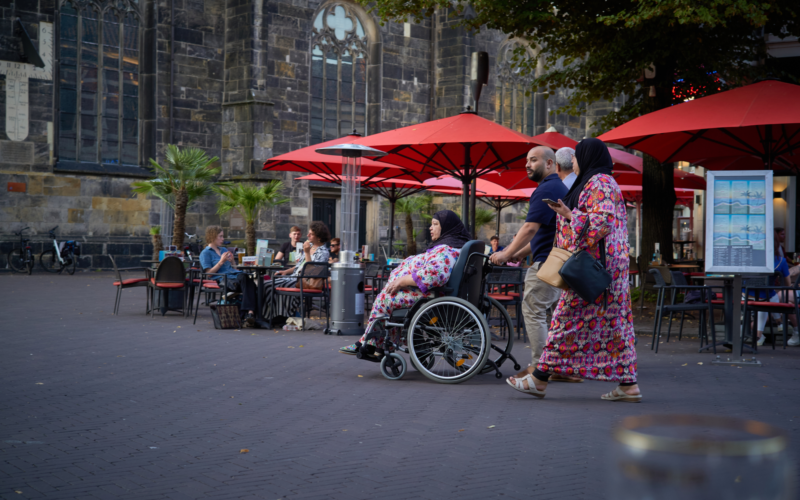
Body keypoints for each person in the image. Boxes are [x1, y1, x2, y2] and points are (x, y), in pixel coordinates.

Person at [506, 138, 641, 402]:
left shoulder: (599, 182)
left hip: (590, 270)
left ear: (588, 157)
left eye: (577, 157)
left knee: (563, 321)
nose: (573, 162)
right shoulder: (598, 181)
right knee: (616, 328)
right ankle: (628, 385)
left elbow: (602, 224)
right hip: (602, 271)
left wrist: (570, 215)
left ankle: (539, 379)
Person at [490, 146, 576, 381]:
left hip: (546, 264)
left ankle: (541, 368)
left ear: (550, 163)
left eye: (534, 160)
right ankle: (559, 367)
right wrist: (521, 252)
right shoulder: (560, 187)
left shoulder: (546, 189)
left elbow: (530, 228)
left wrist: (506, 253)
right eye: (527, 160)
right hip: (560, 261)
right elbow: (548, 233)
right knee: (553, 316)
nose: (527, 164)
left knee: (533, 310)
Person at [339, 210, 471, 354]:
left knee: (384, 299)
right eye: (431, 224)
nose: (430, 228)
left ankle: (368, 343)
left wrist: (403, 281)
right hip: (433, 295)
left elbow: (435, 275)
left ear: (447, 227)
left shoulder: (446, 249)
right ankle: (379, 344)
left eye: (435, 224)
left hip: (432, 297)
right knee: (389, 297)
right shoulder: (450, 246)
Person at [263, 221, 331, 322]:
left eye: (311, 234)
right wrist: (286, 271)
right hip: (295, 277)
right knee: (265, 284)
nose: (307, 235)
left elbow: (311, 271)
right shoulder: (310, 247)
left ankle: (278, 316)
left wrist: (307, 253)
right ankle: (270, 315)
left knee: (269, 285)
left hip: (304, 281)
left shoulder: (323, 252)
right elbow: (299, 266)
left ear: (319, 237)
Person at [199, 225, 258, 327]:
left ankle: (249, 314)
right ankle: (248, 313)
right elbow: (209, 274)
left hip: (235, 276)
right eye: (220, 236)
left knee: (253, 280)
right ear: (213, 236)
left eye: (223, 236)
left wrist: (233, 261)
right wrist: (221, 262)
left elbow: (234, 268)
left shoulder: (223, 250)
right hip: (223, 279)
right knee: (247, 280)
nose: (223, 239)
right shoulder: (205, 253)